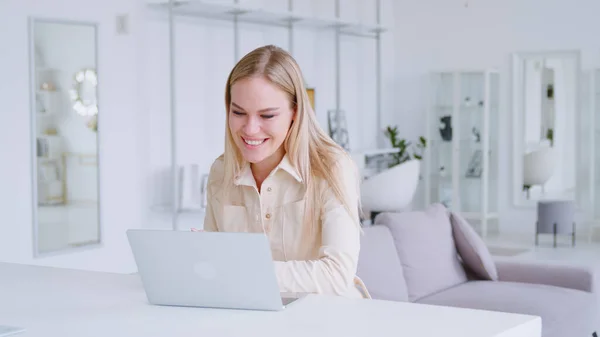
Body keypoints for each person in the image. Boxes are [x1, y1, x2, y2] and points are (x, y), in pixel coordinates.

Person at [203, 44, 370, 299]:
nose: (250, 129)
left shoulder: (331, 167)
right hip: (253, 312)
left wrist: (243, 273)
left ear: (295, 112)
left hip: (326, 317)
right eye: (238, 112)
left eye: (267, 116)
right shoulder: (221, 171)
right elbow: (214, 263)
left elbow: (337, 276)